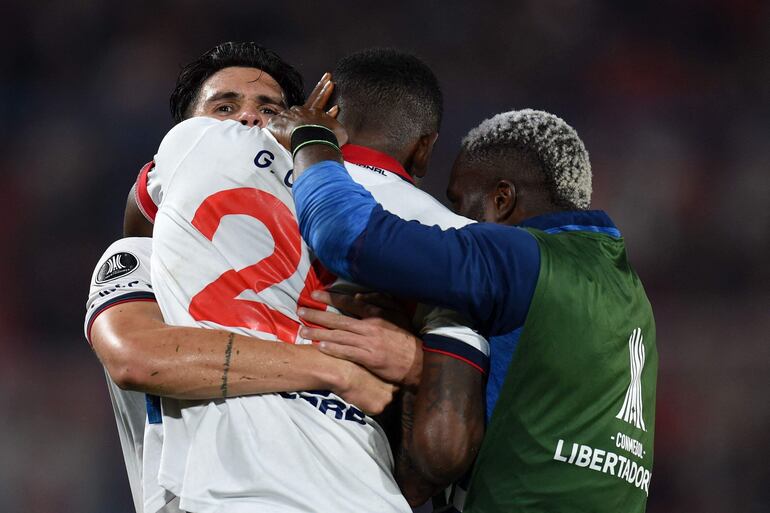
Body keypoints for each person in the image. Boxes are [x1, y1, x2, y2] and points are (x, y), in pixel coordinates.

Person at [93, 46, 487, 513]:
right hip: (221, 498)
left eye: (269, 110)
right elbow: (138, 359)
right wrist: (334, 370)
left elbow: (441, 431)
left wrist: (417, 365)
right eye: (224, 109)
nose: (248, 120)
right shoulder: (139, 257)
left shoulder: (348, 254)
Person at [272, 107, 658, 512]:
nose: (455, 220)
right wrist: (423, 364)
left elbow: (343, 233)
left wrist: (313, 137)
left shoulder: (517, 259)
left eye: (459, 202)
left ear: (502, 200)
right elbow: (533, 409)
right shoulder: (631, 296)